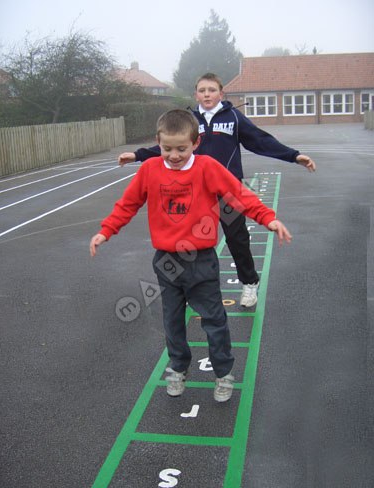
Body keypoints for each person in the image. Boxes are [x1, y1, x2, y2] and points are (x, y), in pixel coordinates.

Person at [90, 109, 292, 403]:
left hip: (201, 260)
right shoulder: (149, 170)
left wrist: (267, 218)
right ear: (158, 142)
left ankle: (223, 373)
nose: (173, 155)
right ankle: (179, 368)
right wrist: (106, 231)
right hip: (167, 262)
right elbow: (128, 204)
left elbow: (239, 193)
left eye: (181, 149)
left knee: (214, 319)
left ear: (195, 143)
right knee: (172, 321)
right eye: (167, 148)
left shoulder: (207, 167)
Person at [118, 73, 316, 308]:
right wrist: (138, 155)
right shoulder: (189, 119)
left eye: (211, 90)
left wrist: (293, 156)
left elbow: (260, 140)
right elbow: (167, 145)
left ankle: (249, 284)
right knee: (190, 243)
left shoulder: (233, 117)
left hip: (228, 192)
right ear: (196, 95)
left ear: (221, 93)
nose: (207, 94)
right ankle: (188, 288)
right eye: (202, 90)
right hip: (197, 193)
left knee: (237, 240)